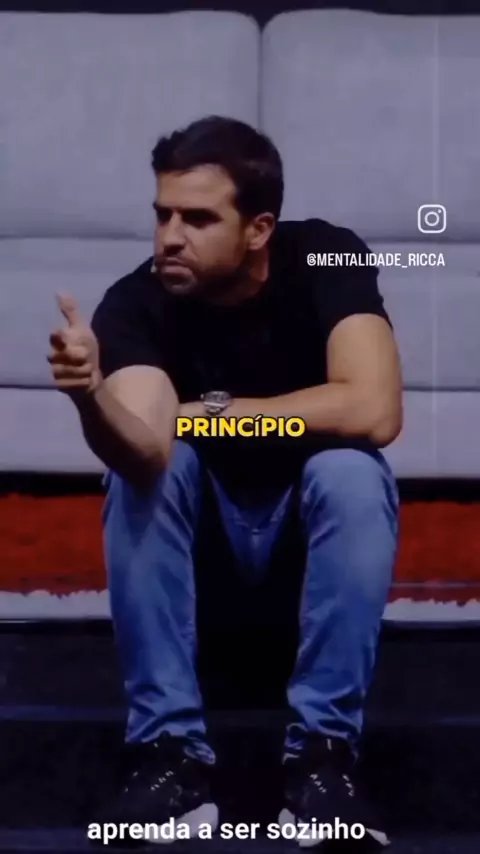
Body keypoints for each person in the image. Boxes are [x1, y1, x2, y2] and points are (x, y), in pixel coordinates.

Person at [47, 115, 402, 847]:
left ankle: (322, 763)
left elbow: (374, 409)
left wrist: (207, 413)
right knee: (151, 473)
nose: (170, 237)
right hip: (200, 563)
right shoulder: (136, 302)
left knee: (350, 472)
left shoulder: (326, 255)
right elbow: (145, 449)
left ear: (259, 228)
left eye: (198, 218)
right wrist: (92, 397)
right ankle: (169, 759)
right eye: (163, 215)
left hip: (306, 552)